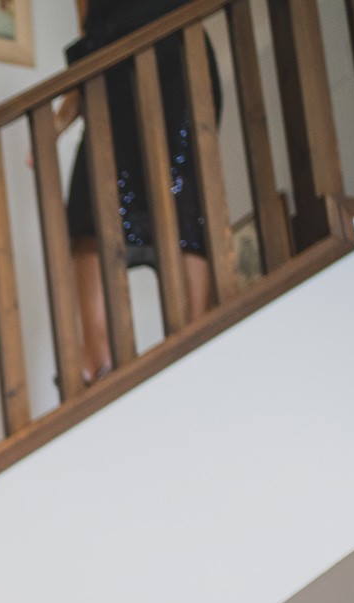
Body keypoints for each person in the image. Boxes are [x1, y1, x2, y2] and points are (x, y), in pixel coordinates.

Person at [58, 0, 220, 379]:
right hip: (109, 76)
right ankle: (97, 363)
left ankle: (195, 351)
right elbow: (90, 29)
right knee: (91, 207)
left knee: (181, 197)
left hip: (174, 57)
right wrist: (63, 116)